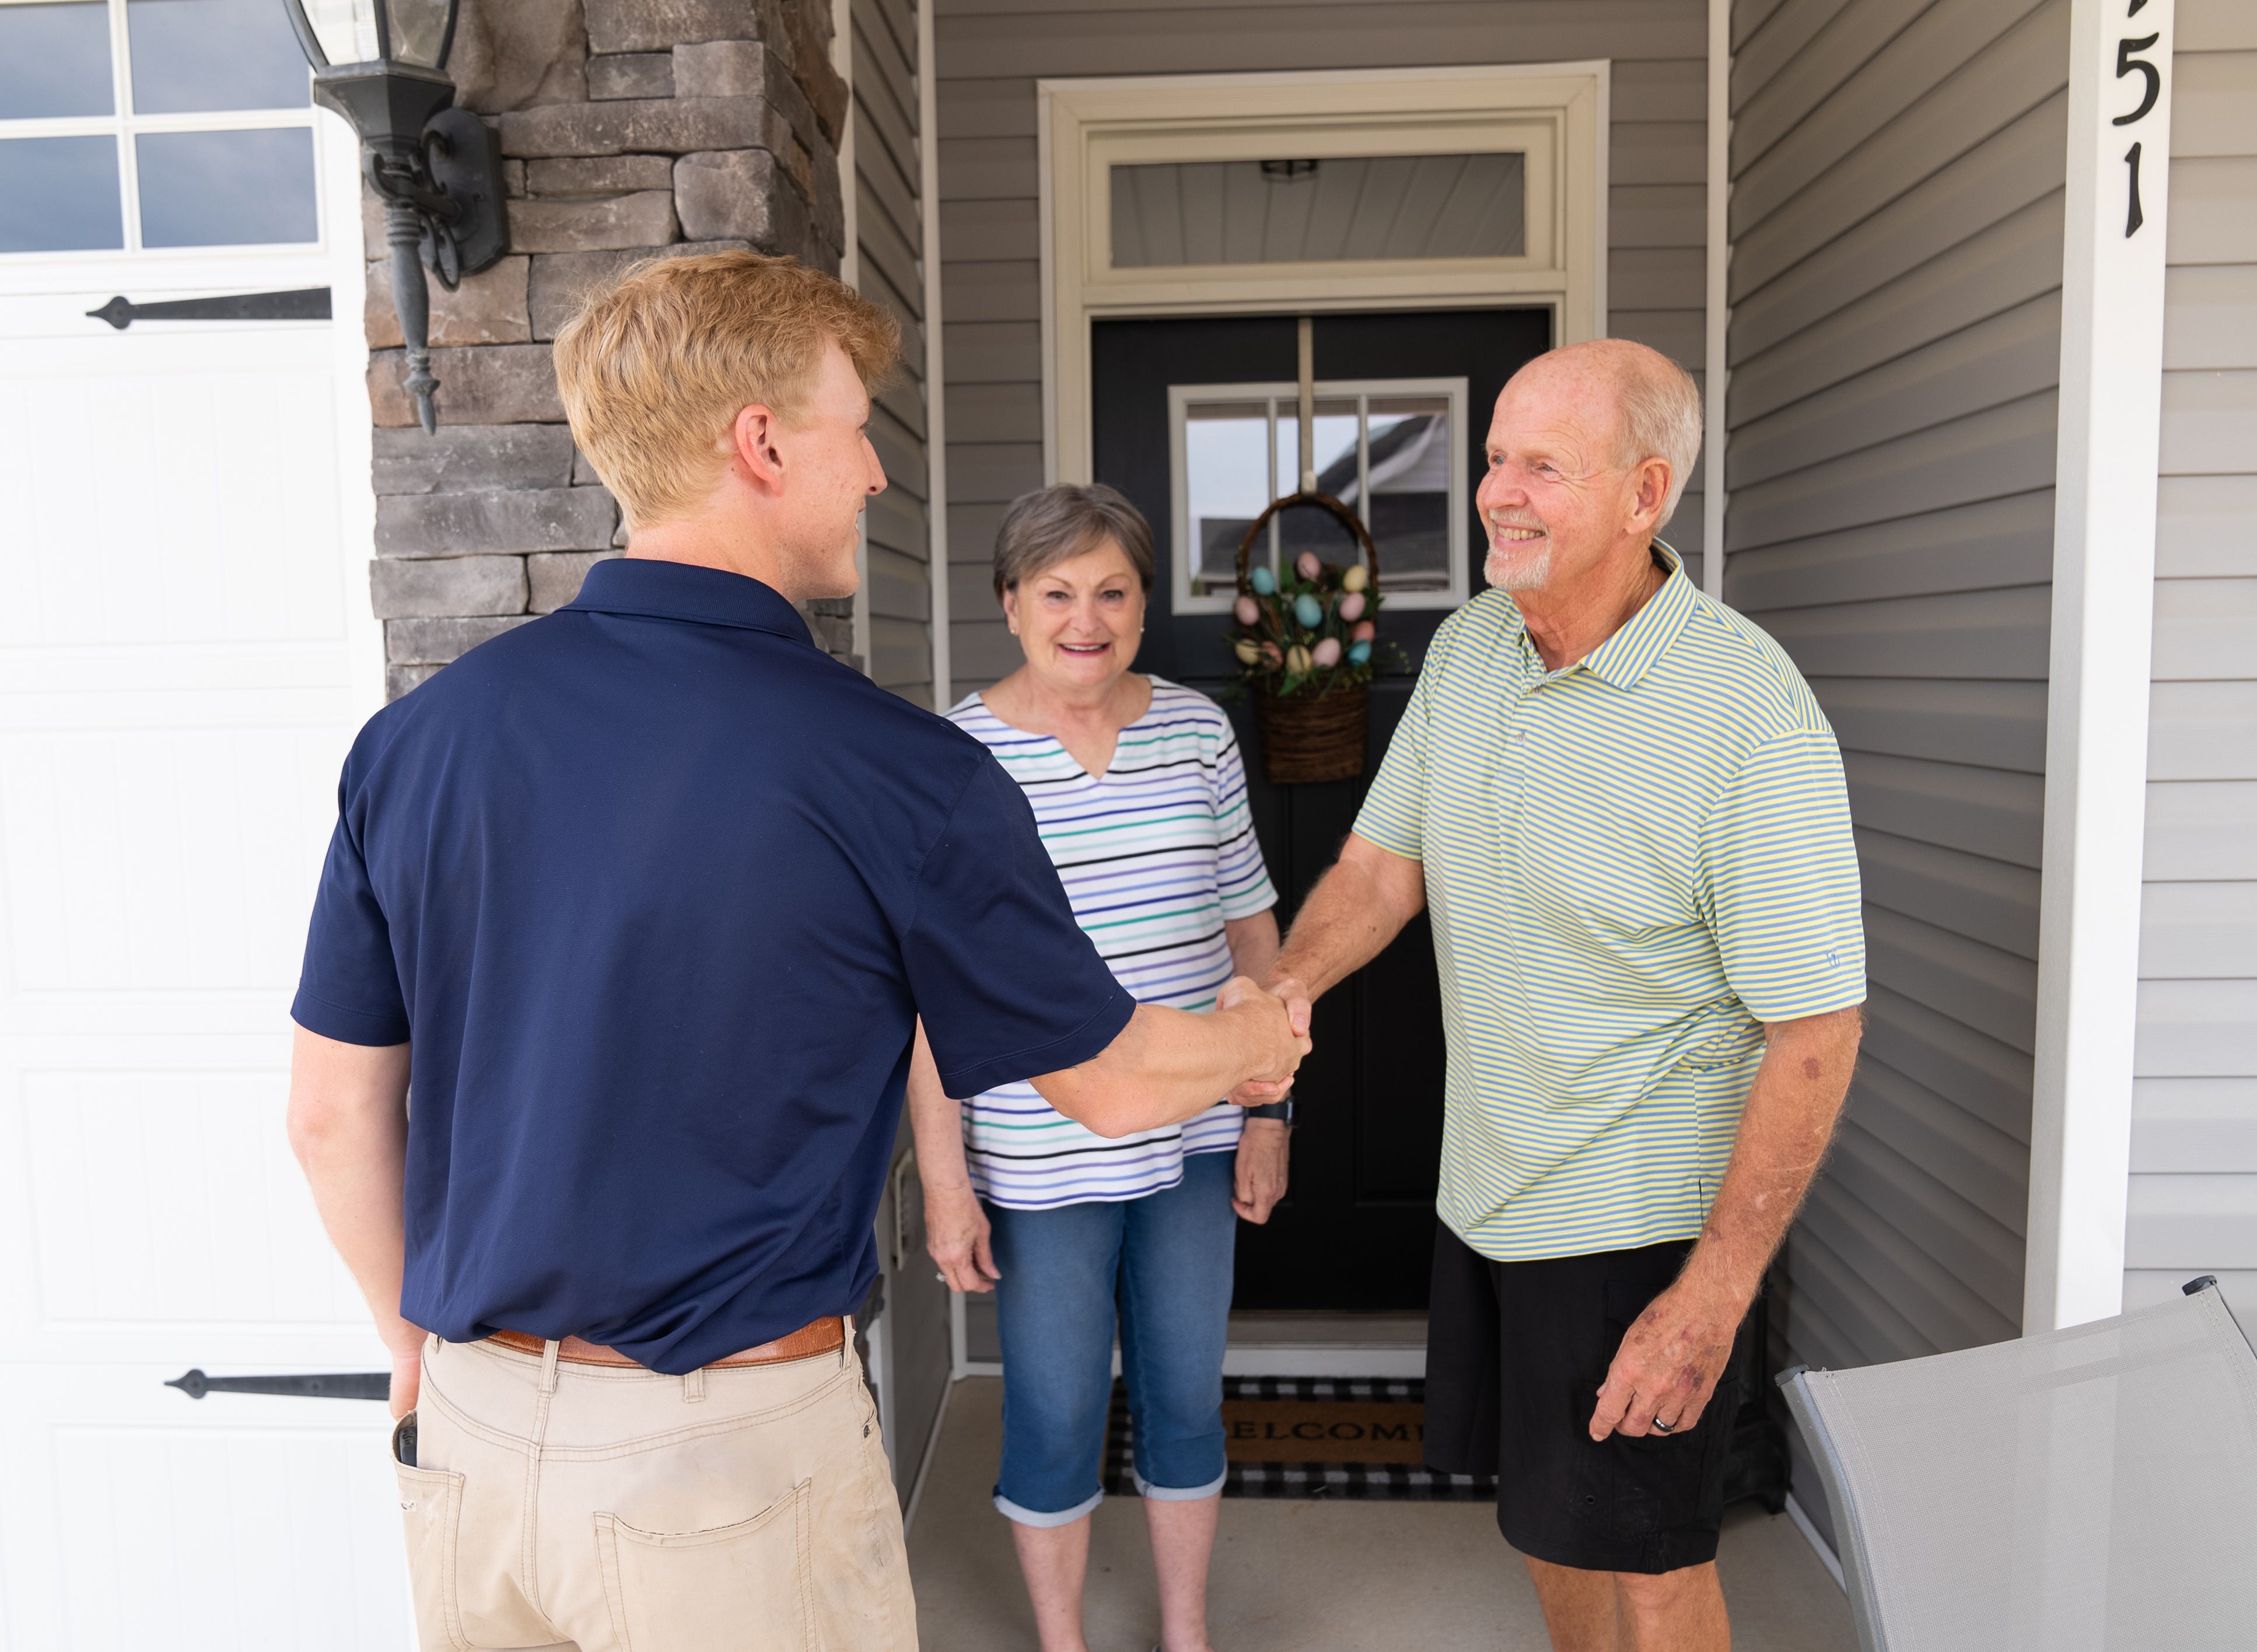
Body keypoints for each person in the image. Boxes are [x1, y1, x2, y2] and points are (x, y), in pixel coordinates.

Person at [284, 252, 1307, 1652]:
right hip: (722, 1475)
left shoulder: (417, 743)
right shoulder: (896, 769)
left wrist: (418, 1365)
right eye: (854, 424)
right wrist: (1262, 1040)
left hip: (467, 1454)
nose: (878, 471)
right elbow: (1115, 1085)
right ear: (759, 444)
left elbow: (333, 1113)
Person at [1252, 338, 1866, 1652]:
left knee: (1649, 1560)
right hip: (1491, 1195)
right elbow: (1379, 865)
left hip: (1642, 1216)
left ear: (1645, 496)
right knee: (1547, 1523)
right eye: (1492, 459)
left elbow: (1817, 1027)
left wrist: (1712, 1296)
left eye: (1542, 465)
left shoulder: (1745, 712)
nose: (1498, 492)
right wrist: (1290, 987)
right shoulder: (1475, 648)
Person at [905, 484, 1289, 1652]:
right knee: (1057, 1406)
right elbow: (929, 996)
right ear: (1010, 605)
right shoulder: (956, 759)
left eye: (1112, 590)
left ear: (1142, 602)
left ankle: (1186, 1633)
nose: (1088, 618)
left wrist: (1270, 1111)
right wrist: (945, 1178)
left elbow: (1250, 932)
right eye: (1058, 592)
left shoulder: (1197, 731)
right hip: (1036, 1144)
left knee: (1184, 1391)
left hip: (1196, 1129)